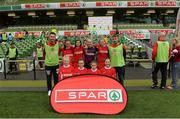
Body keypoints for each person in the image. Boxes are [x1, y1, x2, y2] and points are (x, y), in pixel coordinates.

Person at [44, 32, 60, 96]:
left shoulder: (58, 44)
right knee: (48, 78)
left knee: (56, 78)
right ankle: (49, 90)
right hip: (48, 65)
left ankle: (55, 89)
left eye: (53, 36)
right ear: (49, 37)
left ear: (55, 37)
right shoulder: (46, 44)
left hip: (56, 64)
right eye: (51, 36)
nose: (52, 38)